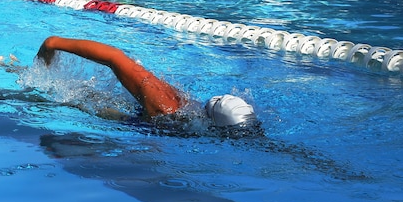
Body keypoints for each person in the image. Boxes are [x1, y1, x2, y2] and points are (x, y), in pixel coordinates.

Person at [35, 36, 258, 128]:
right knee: (69, 100)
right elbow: (114, 58)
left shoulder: (195, 119)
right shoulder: (164, 104)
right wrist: (53, 43)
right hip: (135, 117)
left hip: (144, 122)